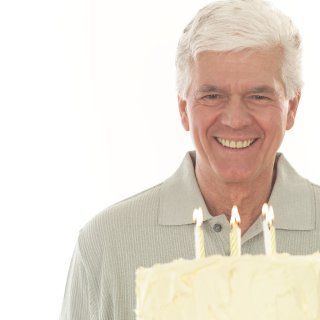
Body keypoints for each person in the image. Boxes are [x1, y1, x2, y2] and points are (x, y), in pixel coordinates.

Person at [60, 0, 320, 319]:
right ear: (183, 108)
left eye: (259, 96)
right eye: (212, 96)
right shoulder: (106, 245)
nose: (236, 120)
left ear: (291, 107)